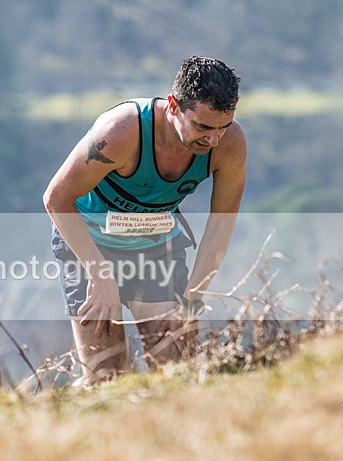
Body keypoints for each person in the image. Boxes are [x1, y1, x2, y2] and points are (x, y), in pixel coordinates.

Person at [43, 56, 247, 384]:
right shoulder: (122, 132)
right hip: (89, 246)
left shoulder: (229, 144)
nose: (213, 140)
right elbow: (56, 198)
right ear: (172, 106)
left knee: (174, 375)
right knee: (105, 381)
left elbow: (222, 222)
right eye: (203, 127)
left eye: (223, 127)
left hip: (155, 248)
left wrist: (192, 300)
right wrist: (100, 276)